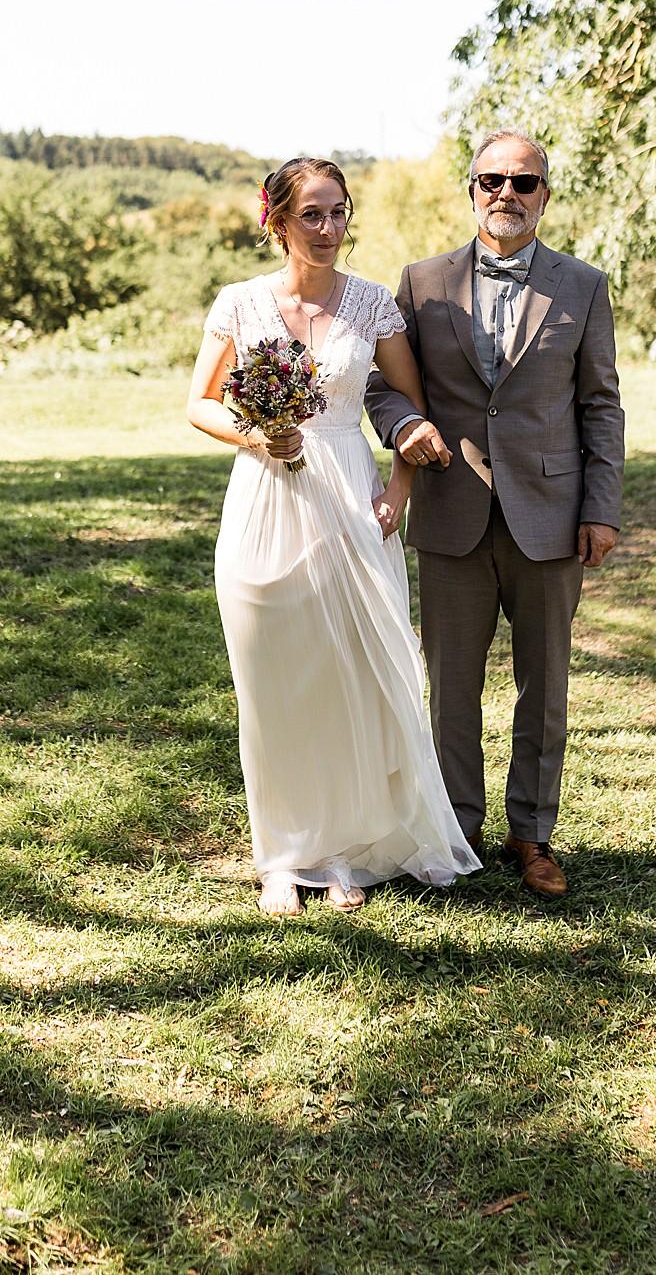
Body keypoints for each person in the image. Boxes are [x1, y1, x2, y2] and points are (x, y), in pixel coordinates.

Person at [186, 156, 479, 915]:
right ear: (277, 223)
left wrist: (400, 492)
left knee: (349, 677)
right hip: (265, 500)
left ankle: (345, 850)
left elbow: (411, 408)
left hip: (352, 497)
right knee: (274, 680)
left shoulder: (374, 304)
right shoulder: (240, 304)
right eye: (311, 214)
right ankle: (283, 855)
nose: (328, 229)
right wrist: (257, 437)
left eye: (339, 212)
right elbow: (200, 404)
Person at [365, 130, 625, 898]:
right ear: (470, 189)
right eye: (491, 181)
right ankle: (456, 829)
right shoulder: (420, 283)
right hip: (451, 513)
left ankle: (532, 836)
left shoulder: (582, 286)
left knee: (544, 688)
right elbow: (385, 386)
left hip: (552, 514)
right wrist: (402, 426)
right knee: (450, 688)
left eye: (524, 182)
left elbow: (601, 406)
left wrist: (602, 508)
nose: (505, 194)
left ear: (546, 193)